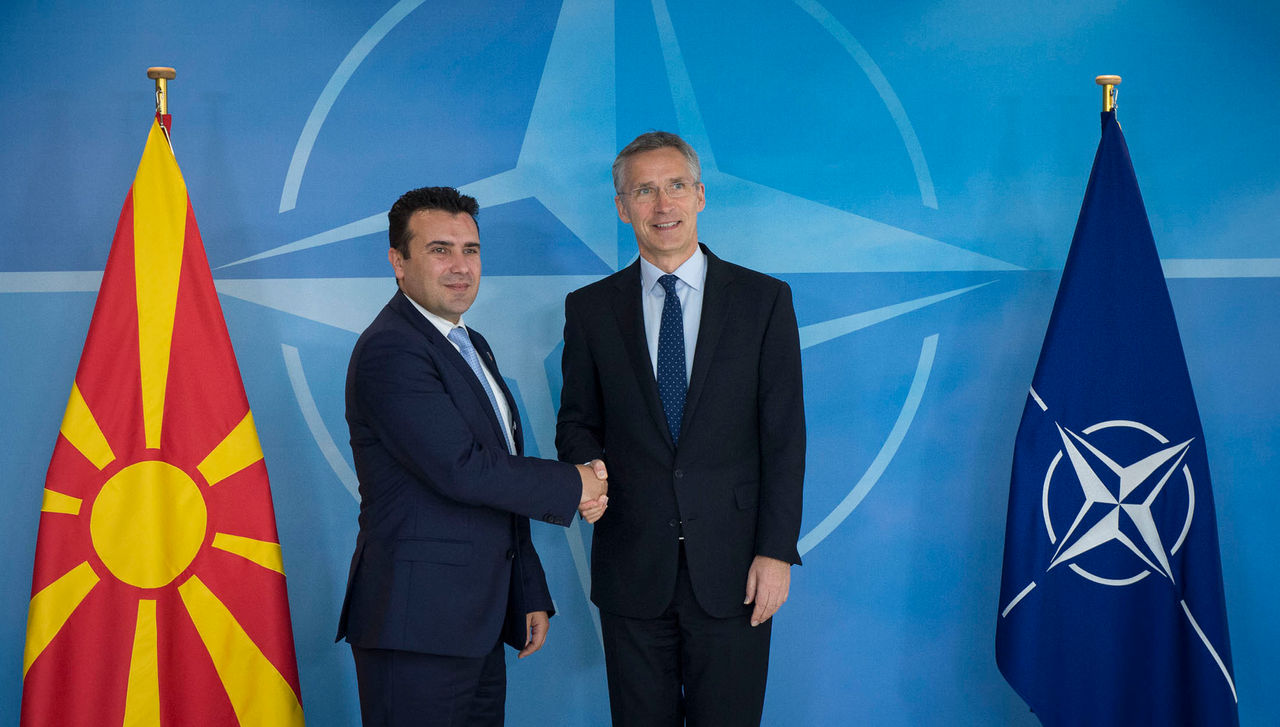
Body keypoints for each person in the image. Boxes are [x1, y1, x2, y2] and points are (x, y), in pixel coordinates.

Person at [556, 132, 806, 725]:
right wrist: (589, 472)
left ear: (700, 196)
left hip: (736, 570)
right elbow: (577, 420)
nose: (662, 204)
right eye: (644, 191)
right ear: (623, 207)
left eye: (674, 186)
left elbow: (785, 437)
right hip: (631, 566)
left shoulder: (764, 300)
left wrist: (775, 552)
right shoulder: (589, 308)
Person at [337, 186, 609, 726]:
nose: (460, 266)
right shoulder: (392, 348)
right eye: (439, 250)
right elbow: (461, 469)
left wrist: (526, 588)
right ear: (398, 262)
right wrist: (578, 483)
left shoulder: (469, 343)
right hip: (416, 627)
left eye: (471, 250)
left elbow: (495, 472)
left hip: (473, 621)